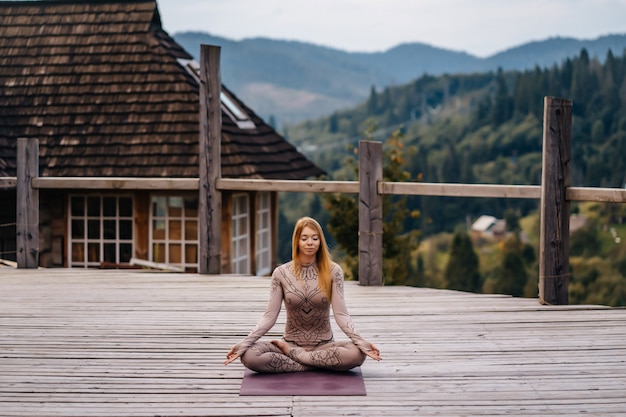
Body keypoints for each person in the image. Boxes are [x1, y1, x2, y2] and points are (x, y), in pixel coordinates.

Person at [224, 216, 381, 373]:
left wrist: (361, 342)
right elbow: (269, 316)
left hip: (323, 346)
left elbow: (341, 314)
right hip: (290, 343)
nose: (310, 242)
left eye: (315, 238)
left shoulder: (334, 271)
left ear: (320, 241)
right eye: (304, 238)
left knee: (357, 354)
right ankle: (315, 363)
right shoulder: (281, 273)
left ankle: (298, 358)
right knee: (249, 356)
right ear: (297, 241)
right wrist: (244, 343)